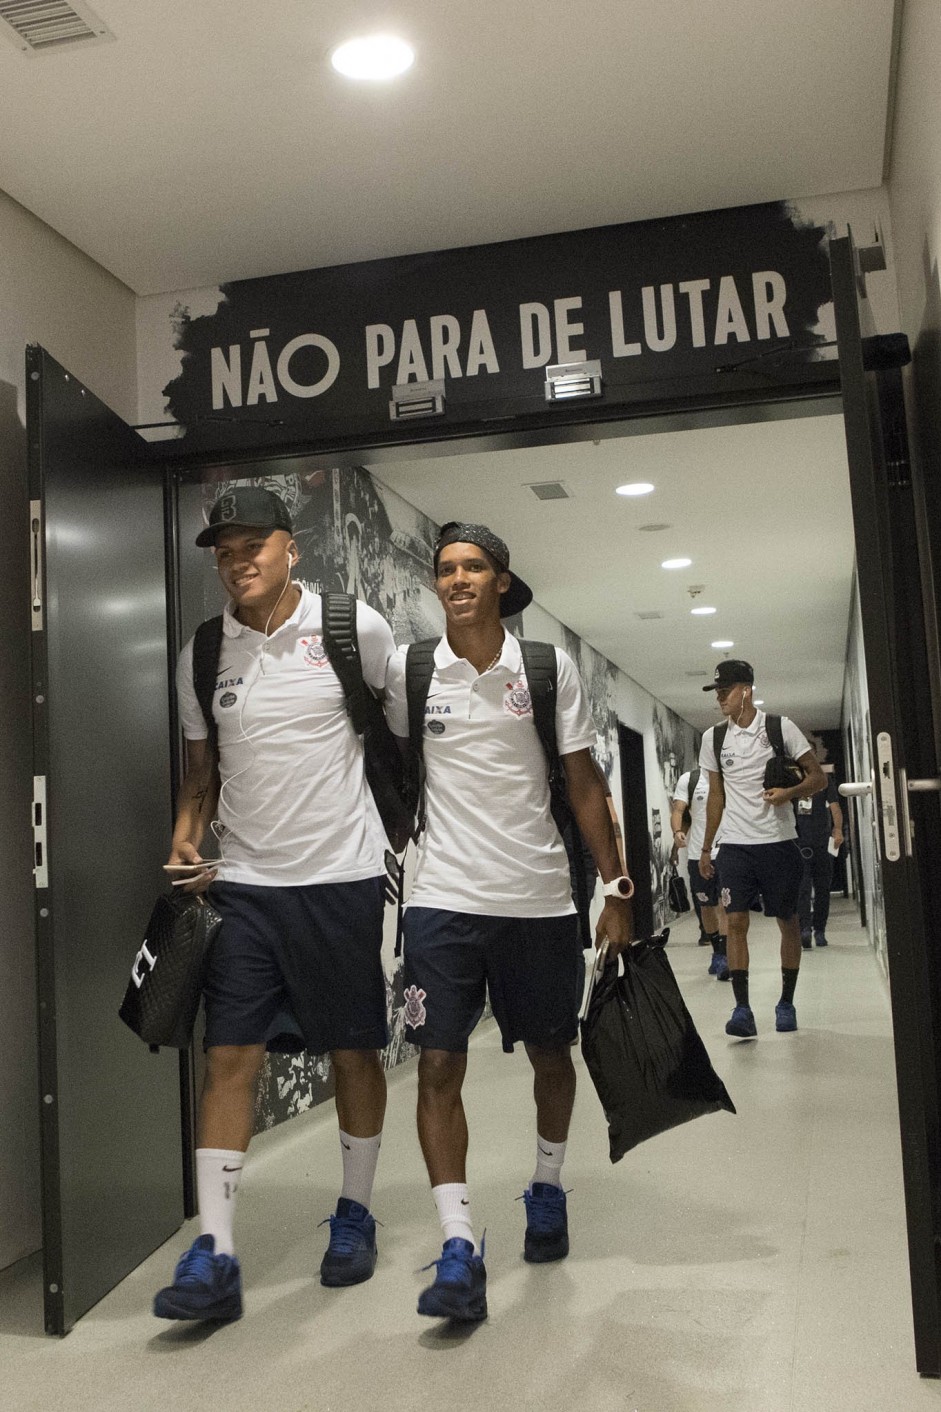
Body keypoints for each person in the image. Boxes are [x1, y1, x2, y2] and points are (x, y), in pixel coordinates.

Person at [153, 487, 396, 1323]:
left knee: (353, 1050)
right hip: (244, 884)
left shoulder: (351, 628)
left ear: (292, 547)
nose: (237, 561)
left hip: (341, 876)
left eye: (252, 544)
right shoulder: (201, 653)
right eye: (224, 551)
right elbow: (200, 773)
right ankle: (216, 1251)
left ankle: (355, 1214)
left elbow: (399, 740)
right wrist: (188, 834)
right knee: (230, 1057)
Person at [384, 522, 634, 1323]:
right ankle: (456, 1244)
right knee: (434, 1066)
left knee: (551, 1055)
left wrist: (618, 888)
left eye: (473, 568)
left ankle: (548, 1187)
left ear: (501, 581)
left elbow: (585, 787)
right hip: (441, 900)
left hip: (535, 898)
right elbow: (388, 777)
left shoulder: (545, 667)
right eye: (446, 569)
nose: (457, 579)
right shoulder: (412, 670)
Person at [698, 660, 826, 1039]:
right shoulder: (714, 738)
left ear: (746, 691)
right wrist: (706, 847)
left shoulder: (779, 728)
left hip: (778, 842)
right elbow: (715, 797)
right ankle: (742, 1010)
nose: (720, 697)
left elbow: (817, 778)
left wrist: (788, 792)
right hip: (736, 845)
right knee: (735, 921)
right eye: (717, 691)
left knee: (788, 922)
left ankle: (786, 1001)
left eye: (726, 690)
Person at [670, 769, 729, 979]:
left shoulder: (729, 775)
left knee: (724, 904)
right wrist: (677, 833)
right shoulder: (690, 780)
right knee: (705, 904)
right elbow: (678, 810)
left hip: (726, 849)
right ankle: (716, 950)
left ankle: (724, 955)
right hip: (697, 852)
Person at [795, 771, 845, 947]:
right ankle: (805, 929)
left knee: (823, 889)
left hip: (822, 842)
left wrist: (837, 829)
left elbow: (835, 806)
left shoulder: (824, 780)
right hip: (799, 842)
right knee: (803, 889)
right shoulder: (792, 780)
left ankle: (820, 930)